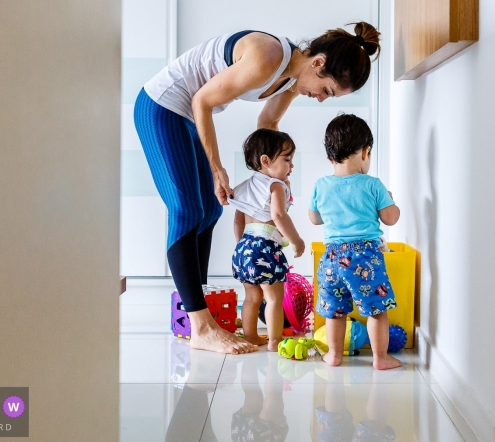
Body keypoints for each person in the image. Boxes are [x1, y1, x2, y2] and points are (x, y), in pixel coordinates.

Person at [133, 22, 381, 354]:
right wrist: (218, 168)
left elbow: (268, 125)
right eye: (327, 91)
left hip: (186, 114)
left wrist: (276, 177)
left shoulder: (292, 79)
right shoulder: (269, 56)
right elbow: (203, 101)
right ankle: (201, 325)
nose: (321, 99)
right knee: (187, 209)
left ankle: (201, 311)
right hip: (162, 106)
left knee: (208, 211)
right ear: (318, 64)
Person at [309, 114, 401, 370]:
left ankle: (335, 355)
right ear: (365, 152)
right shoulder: (373, 185)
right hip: (365, 258)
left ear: (330, 157)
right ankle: (380, 358)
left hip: (330, 258)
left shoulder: (321, 185)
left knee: (335, 312)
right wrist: (389, 200)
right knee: (376, 310)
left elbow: (314, 219)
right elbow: (390, 219)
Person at [229, 129, 304, 351]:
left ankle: (250, 336)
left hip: (244, 247)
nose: (291, 166)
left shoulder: (244, 187)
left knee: (252, 297)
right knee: (273, 299)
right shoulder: (275, 186)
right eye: (287, 159)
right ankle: (274, 341)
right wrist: (296, 241)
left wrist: (242, 247)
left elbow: (237, 222)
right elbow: (279, 216)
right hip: (265, 248)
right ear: (266, 161)